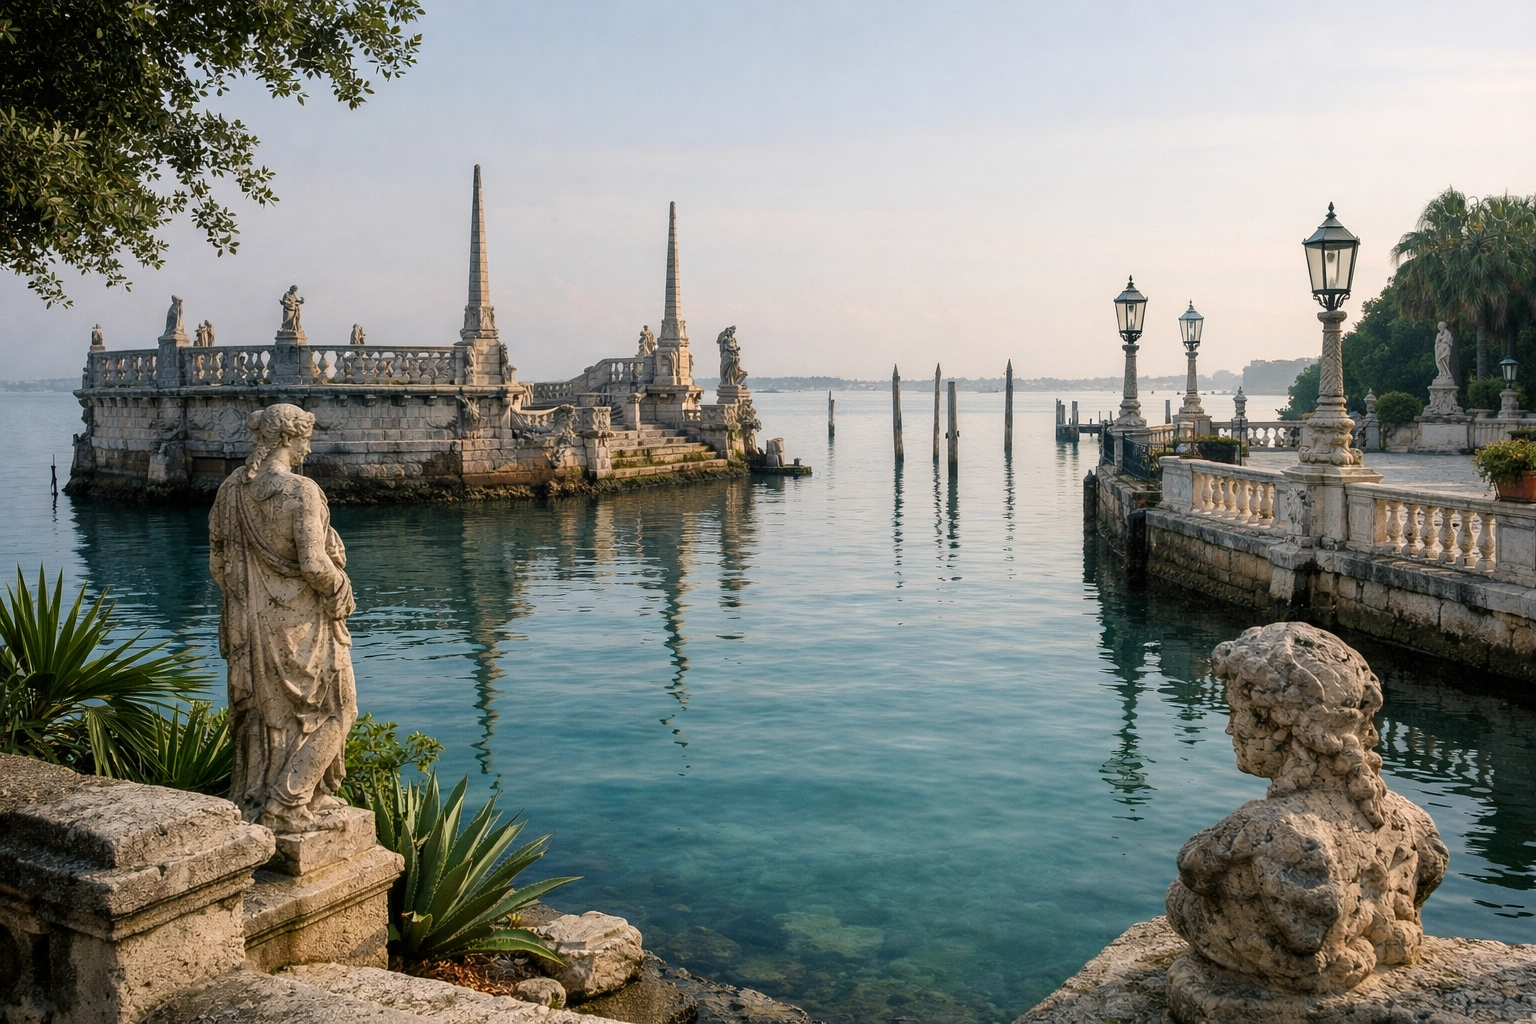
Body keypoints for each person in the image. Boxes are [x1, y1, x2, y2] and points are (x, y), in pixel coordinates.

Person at [1165, 623, 1447, 994]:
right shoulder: (1409, 818)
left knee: (1179, 899)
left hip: (1286, 985)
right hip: (1366, 950)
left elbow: (1304, 939)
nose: (1230, 730)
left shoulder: (1275, 828)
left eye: (1236, 713)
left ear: (1281, 726)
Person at [209, 404, 357, 833]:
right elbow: (313, 563)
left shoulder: (231, 489)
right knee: (338, 708)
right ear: (290, 439)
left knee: (267, 712)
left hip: (254, 623)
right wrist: (339, 587)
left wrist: (249, 599)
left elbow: (218, 562)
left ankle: (273, 792)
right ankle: (287, 802)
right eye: (306, 436)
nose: (309, 445)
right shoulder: (301, 490)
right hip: (305, 623)